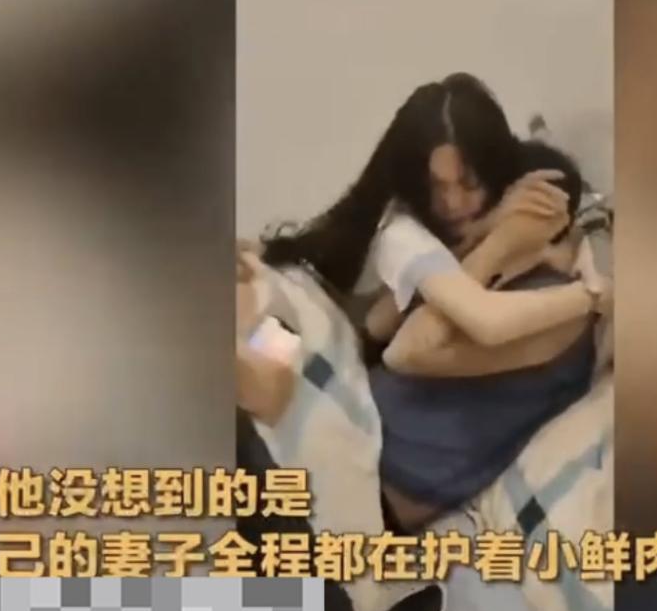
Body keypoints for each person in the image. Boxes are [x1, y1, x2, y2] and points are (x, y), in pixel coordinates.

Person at [256, 72, 607, 530]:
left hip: (372, 483)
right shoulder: (436, 244)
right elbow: (382, 324)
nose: (454, 205)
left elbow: (408, 349)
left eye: (471, 185)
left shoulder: (556, 310)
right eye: (437, 187)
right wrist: (493, 242)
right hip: (346, 427)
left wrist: (510, 246)